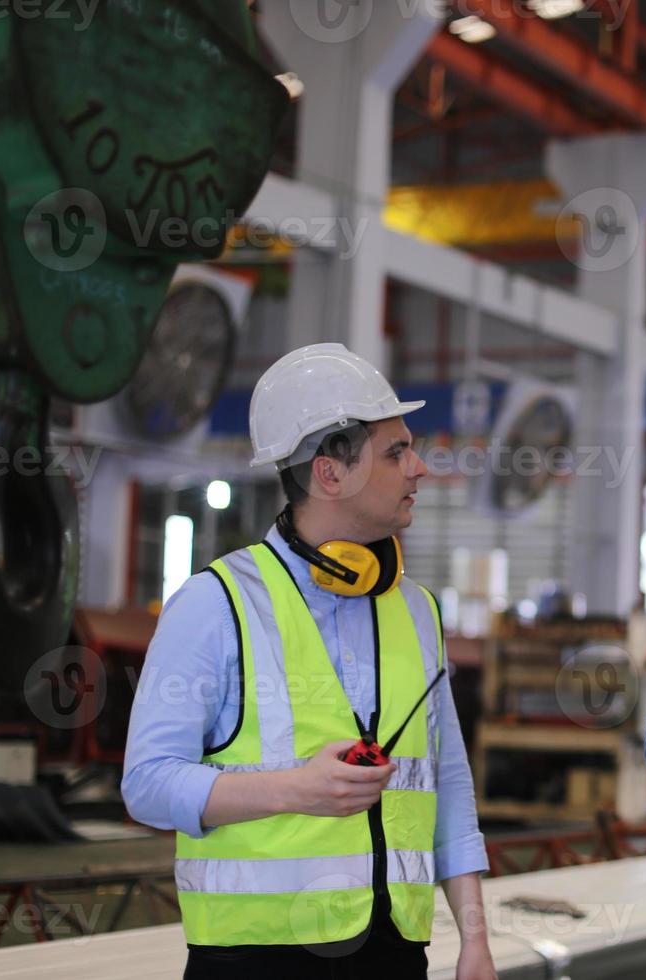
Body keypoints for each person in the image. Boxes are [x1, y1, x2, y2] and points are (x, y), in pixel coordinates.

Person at [123, 343, 496, 980]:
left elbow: (449, 785)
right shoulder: (216, 605)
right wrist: (295, 789)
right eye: (396, 452)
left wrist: (476, 940)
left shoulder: (415, 608)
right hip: (257, 960)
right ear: (331, 474)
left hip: (395, 954)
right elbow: (148, 784)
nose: (420, 468)